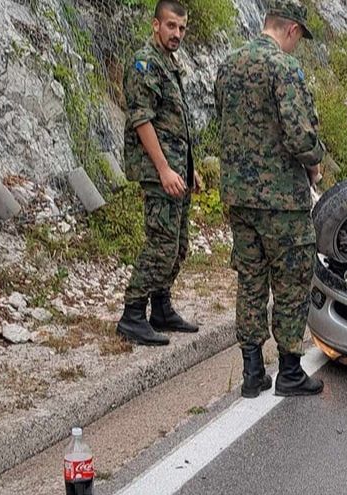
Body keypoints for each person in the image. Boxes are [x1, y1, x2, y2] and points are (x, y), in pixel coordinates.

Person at [214, 0, 325, 398]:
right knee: (292, 281)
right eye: (299, 38)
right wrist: (315, 163)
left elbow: (224, 122)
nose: (297, 45)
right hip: (281, 201)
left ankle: (252, 372)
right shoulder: (284, 67)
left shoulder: (228, 65)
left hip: (239, 198)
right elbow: (299, 135)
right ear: (291, 29)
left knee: (251, 280)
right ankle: (290, 371)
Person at [117, 0, 201, 346]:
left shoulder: (170, 63)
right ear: (155, 25)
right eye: (170, 26)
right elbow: (142, 120)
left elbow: (176, 123)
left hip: (177, 170)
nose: (177, 33)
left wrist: (190, 168)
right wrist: (164, 169)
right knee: (161, 243)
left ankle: (161, 308)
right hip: (158, 172)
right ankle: (132, 315)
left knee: (178, 245)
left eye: (181, 28)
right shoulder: (145, 63)